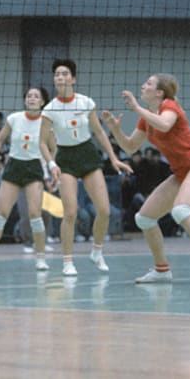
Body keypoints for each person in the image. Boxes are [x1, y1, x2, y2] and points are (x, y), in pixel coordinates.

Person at [102, 74, 190, 283]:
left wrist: (136, 108)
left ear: (160, 92)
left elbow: (165, 125)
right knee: (144, 218)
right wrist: (115, 130)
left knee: (180, 210)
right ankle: (162, 270)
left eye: (148, 83)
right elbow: (130, 147)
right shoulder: (147, 117)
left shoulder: (170, 106)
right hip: (179, 172)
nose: (143, 86)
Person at [39, 59, 133, 276]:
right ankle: (67, 262)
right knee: (70, 212)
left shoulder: (86, 102)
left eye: (64, 74)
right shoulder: (49, 109)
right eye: (57, 75)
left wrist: (113, 158)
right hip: (65, 158)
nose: (60, 77)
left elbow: (99, 133)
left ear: (73, 79)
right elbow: (42, 142)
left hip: (87, 154)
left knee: (104, 210)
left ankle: (97, 252)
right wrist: (51, 164)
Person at [0, 87, 51, 271]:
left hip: (34, 167)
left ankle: (41, 258)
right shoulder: (14, 118)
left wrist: (51, 167)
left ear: (42, 102)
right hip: (14, 166)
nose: (32, 99)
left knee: (35, 214)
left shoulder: (47, 123)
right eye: (29, 96)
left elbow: (53, 147)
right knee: (1, 213)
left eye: (36, 96)